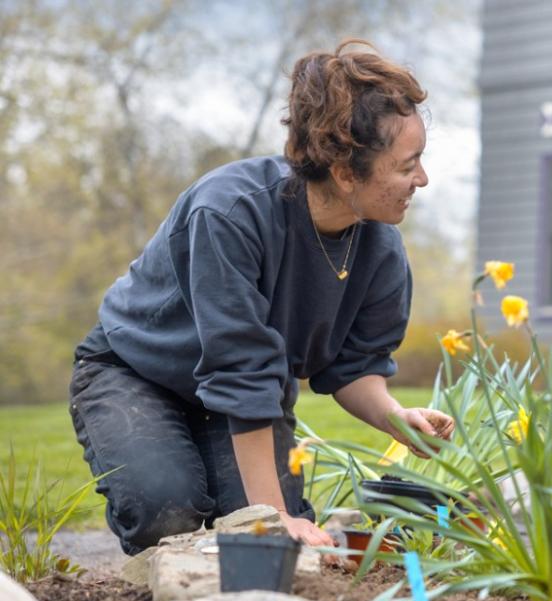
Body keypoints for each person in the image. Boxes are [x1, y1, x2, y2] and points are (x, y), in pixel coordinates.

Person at [69, 39, 455, 555]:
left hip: (240, 399)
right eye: (408, 165)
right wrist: (273, 517)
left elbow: (353, 366)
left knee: (274, 547)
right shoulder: (230, 212)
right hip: (137, 375)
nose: (422, 179)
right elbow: (240, 364)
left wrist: (392, 414)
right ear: (345, 173)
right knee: (172, 514)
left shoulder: (381, 249)